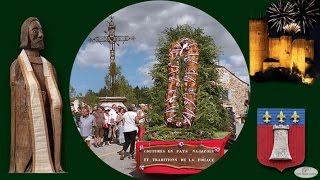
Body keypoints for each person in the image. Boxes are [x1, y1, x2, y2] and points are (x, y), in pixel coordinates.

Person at [10, 17, 64, 173]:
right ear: (25, 35)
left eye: (41, 31)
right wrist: (39, 96)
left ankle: (55, 164)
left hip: (49, 121)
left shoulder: (49, 66)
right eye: (35, 31)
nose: (41, 35)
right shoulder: (18, 65)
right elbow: (17, 96)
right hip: (26, 124)